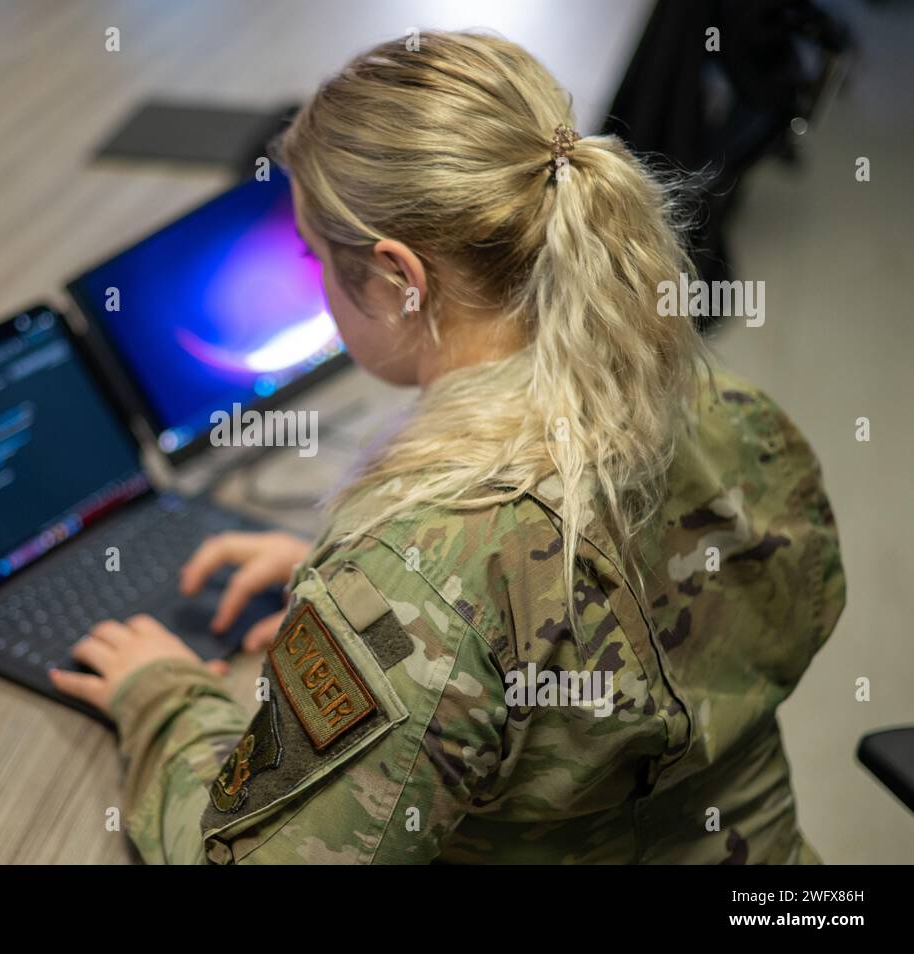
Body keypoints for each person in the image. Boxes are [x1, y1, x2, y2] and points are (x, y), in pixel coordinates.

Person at [49, 31, 845, 864]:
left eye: (316, 256)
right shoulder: (719, 403)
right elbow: (585, 602)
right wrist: (376, 610)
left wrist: (166, 700)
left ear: (400, 279)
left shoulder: (423, 571)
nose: (317, 282)